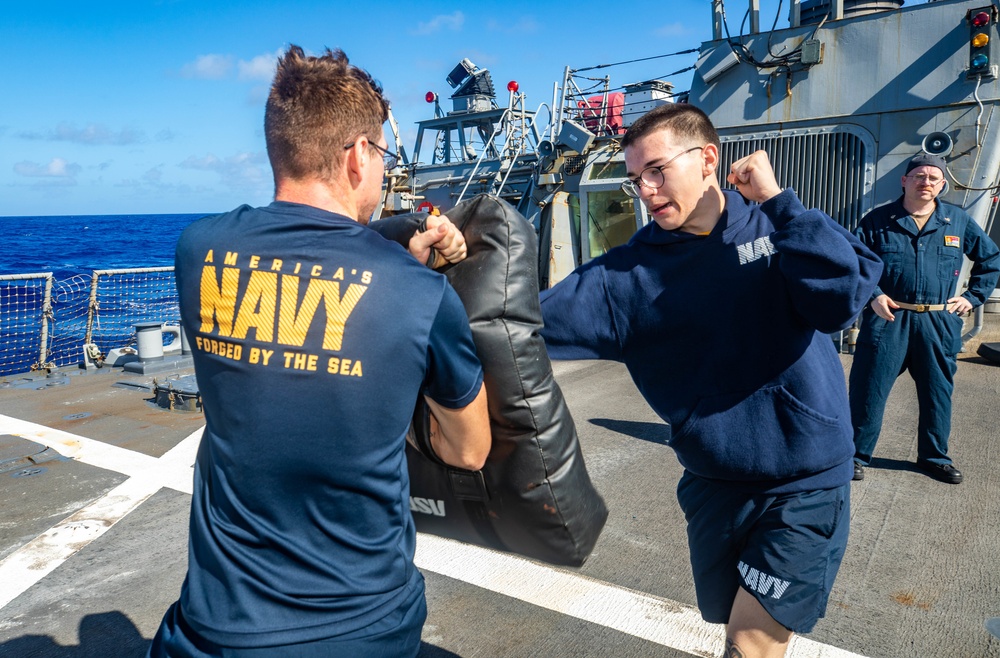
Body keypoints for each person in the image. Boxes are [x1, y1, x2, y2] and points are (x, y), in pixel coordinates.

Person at [148, 45, 492, 658]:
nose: (384, 171)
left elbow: (301, 285)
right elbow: (468, 451)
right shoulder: (417, 292)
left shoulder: (196, 250)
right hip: (363, 626)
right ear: (359, 154)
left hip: (215, 627)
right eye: (383, 154)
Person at [538, 103, 883, 658]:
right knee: (733, 629)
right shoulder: (623, 277)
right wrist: (446, 270)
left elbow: (842, 297)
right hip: (714, 482)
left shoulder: (778, 224)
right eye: (635, 179)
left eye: (656, 170)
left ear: (707, 160)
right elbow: (521, 323)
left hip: (806, 480)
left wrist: (778, 200)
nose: (645, 191)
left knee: (753, 640)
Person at [849, 153, 1000, 484]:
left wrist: (972, 297)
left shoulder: (957, 221)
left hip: (938, 322)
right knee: (868, 389)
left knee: (937, 392)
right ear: (904, 181)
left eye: (933, 178)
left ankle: (934, 457)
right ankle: (856, 456)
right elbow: (855, 263)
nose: (926, 182)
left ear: (942, 184)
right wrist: (874, 295)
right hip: (890, 318)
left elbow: (990, 258)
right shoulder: (877, 221)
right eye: (919, 176)